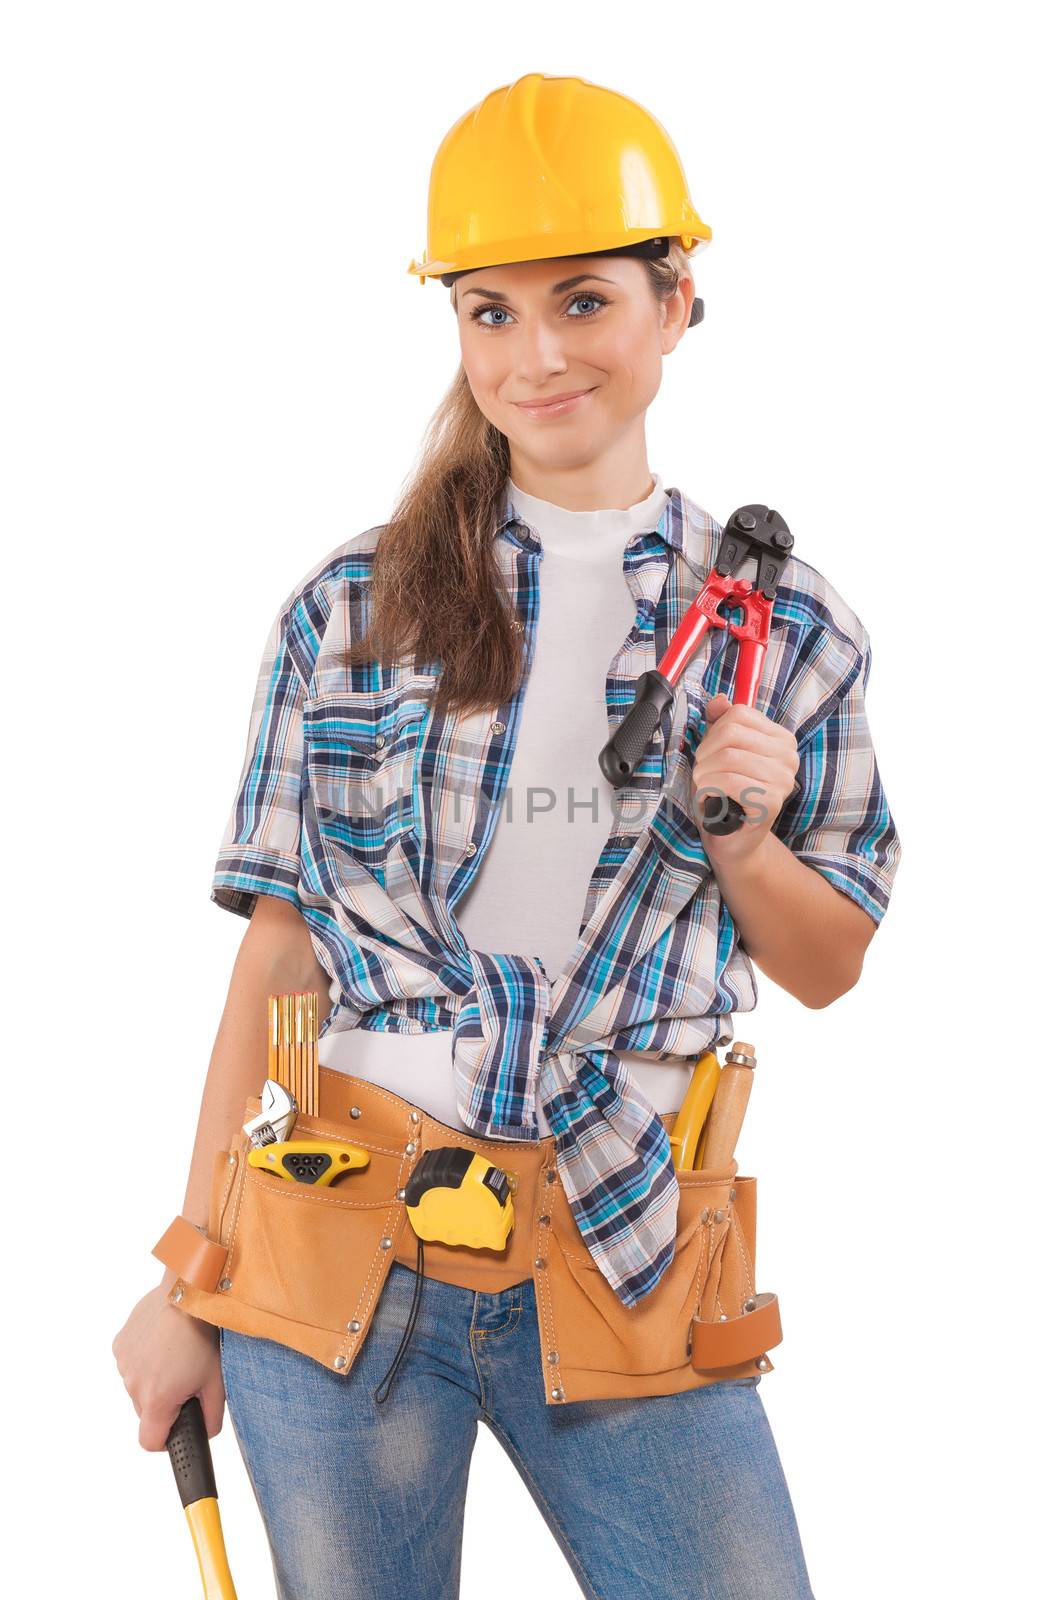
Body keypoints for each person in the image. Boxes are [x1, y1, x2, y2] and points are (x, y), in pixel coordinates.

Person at [113, 73, 900, 1598]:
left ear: (678, 305)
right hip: (342, 1256)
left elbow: (833, 964)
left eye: (585, 301)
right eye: (489, 312)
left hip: (624, 1247)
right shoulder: (351, 609)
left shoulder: (788, 630)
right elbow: (283, 954)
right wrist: (189, 1280)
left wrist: (745, 838)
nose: (536, 356)